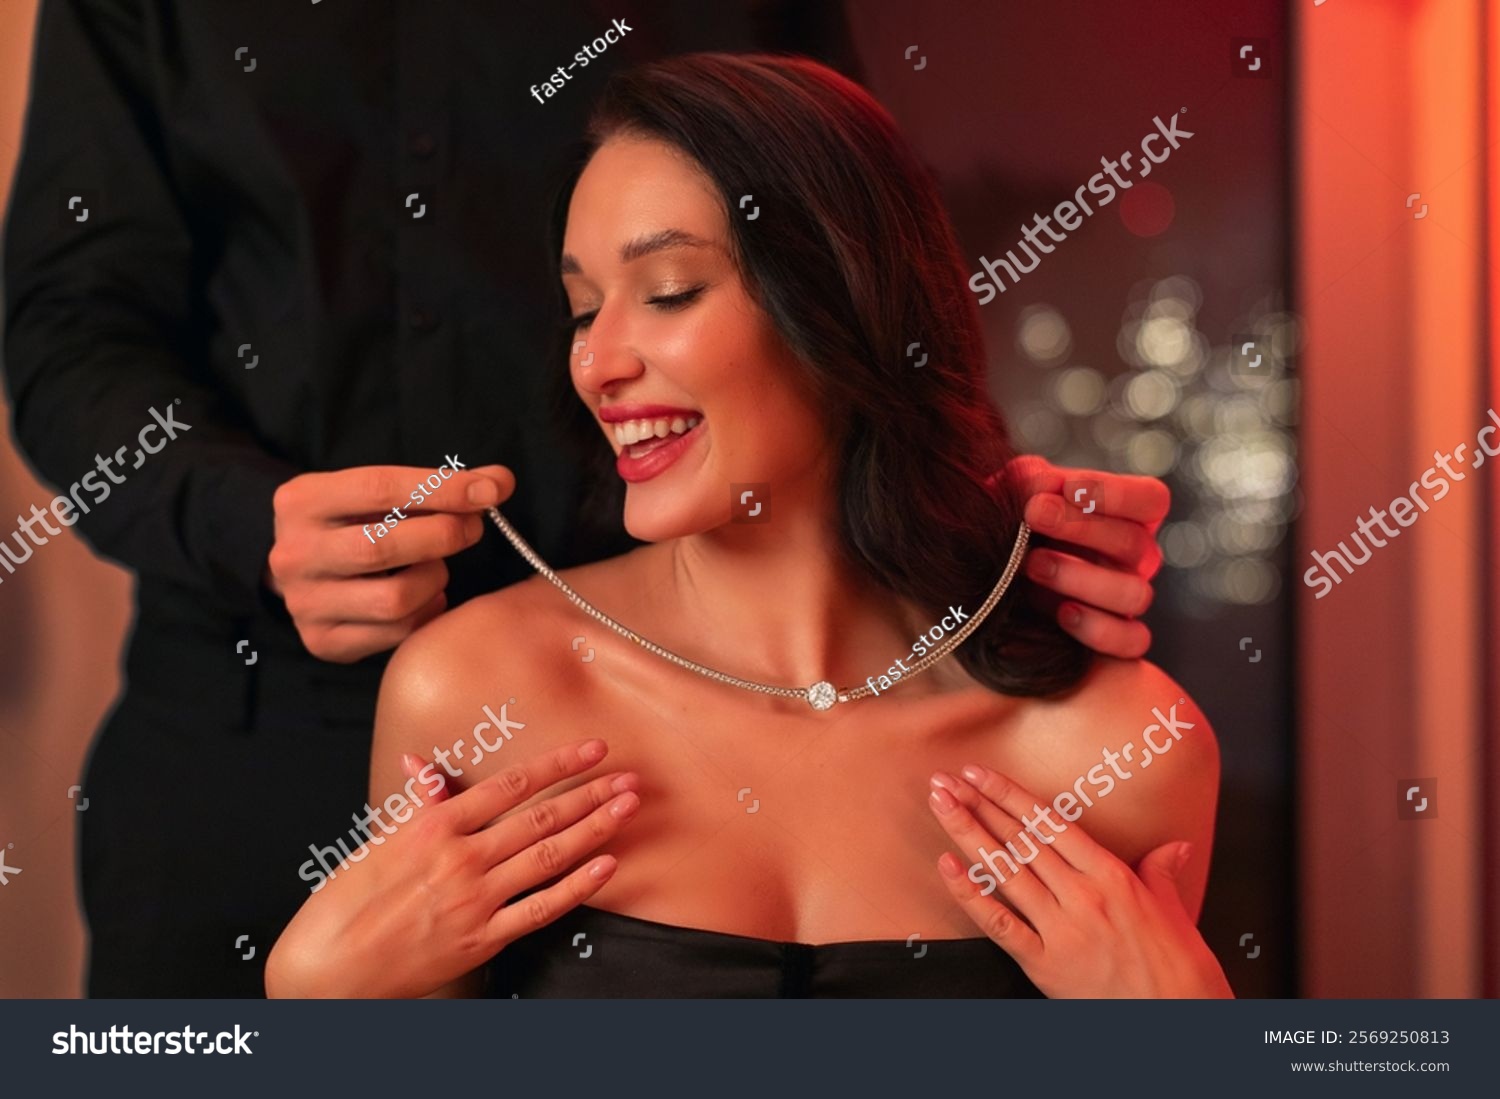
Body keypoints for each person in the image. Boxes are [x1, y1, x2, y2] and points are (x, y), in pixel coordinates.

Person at [265, 53, 1228, 999]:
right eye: (582, 310)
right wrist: (316, 1008)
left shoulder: (1121, 747)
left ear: (845, 302)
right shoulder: (474, 691)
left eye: (670, 292)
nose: (597, 363)